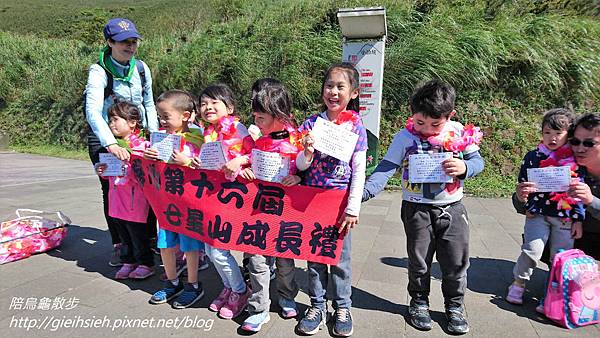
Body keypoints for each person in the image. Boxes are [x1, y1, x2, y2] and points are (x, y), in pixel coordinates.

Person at [363, 79, 484, 334]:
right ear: (412, 112)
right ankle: (418, 302)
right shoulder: (405, 137)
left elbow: (477, 162)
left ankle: (454, 306)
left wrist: (465, 168)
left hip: (452, 208)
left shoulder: (459, 131)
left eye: (435, 124)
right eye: (420, 122)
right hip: (416, 209)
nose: (427, 129)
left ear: (450, 115)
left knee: (455, 262)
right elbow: (386, 168)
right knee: (419, 261)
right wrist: (364, 192)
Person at [295, 63, 367, 337]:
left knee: (340, 260)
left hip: (339, 204)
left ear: (354, 93)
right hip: (312, 200)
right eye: (329, 86)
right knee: (314, 258)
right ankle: (316, 305)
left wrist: (352, 208)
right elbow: (300, 166)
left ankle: (342, 307)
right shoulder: (311, 124)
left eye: (340, 87)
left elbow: (359, 170)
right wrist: (307, 152)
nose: (333, 92)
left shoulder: (356, 126)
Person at [85, 18, 158, 267]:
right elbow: (93, 112)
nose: (130, 46)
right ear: (109, 42)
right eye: (123, 42)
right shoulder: (99, 70)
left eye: (133, 41)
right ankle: (121, 244)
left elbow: (148, 103)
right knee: (113, 188)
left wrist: (155, 136)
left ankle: (147, 240)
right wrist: (110, 144)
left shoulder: (140, 68)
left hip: (136, 134)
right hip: (106, 137)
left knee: (145, 186)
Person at [237, 78, 303, 332]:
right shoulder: (257, 141)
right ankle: (259, 309)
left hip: (286, 212)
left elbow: (309, 171)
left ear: (279, 116)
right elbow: (244, 164)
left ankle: (287, 296)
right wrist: (244, 170)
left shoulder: (298, 141)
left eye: (260, 117)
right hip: (258, 211)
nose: (256, 122)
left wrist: (298, 176)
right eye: (254, 116)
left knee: (285, 260)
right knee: (256, 260)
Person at [505, 109, 584, 309]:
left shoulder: (575, 160)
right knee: (532, 250)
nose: (552, 138)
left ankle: (552, 294)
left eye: (558, 133)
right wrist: (525, 202)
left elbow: (580, 191)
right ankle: (519, 283)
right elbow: (523, 183)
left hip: (565, 217)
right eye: (547, 132)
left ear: (569, 134)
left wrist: (579, 219)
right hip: (537, 214)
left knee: (559, 257)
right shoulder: (533, 156)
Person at [191, 84, 253, 320]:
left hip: (232, 197)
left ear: (230, 107)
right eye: (204, 103)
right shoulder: (207, 133)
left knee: (218, 250)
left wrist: (239, 163)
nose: (207, 107)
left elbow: (254, 152)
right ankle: (228, 287)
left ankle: (240, 290)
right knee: (210, 247)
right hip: (212, 197)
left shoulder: (238, 128)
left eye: (213, 102)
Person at [145, 90, 204, 309]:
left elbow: (205, 168)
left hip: (188, 205)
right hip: (166, 203)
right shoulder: (159, 138)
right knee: (165, 245)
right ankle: (171, 282)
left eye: (166, 116)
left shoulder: (199, 139)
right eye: (160, 116)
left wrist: (187, 162)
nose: (162, 121)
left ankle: (193, 284)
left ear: (186, 116)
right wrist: (149, 156)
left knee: (190, 246)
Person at [515, 113, 600, 260]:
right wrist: (521, 199)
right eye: (575, 142)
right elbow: (530, 198)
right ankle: (558, 274)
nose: (580, 148)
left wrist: (591, 200)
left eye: (588, 143)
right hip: (568, 234)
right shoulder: (559, 161)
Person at [94, 101, 154, 280]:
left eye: (115, 119)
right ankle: (128, 261)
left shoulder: (143, 146)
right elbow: (108, 175)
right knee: (123, 234)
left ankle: (146, 263)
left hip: (134, 200)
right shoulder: (110, 147)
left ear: (132, 122)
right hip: (116, 199)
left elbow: (147, 174)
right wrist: (102, 170)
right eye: (109, 120)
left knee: (138, 234)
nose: (111, 124)